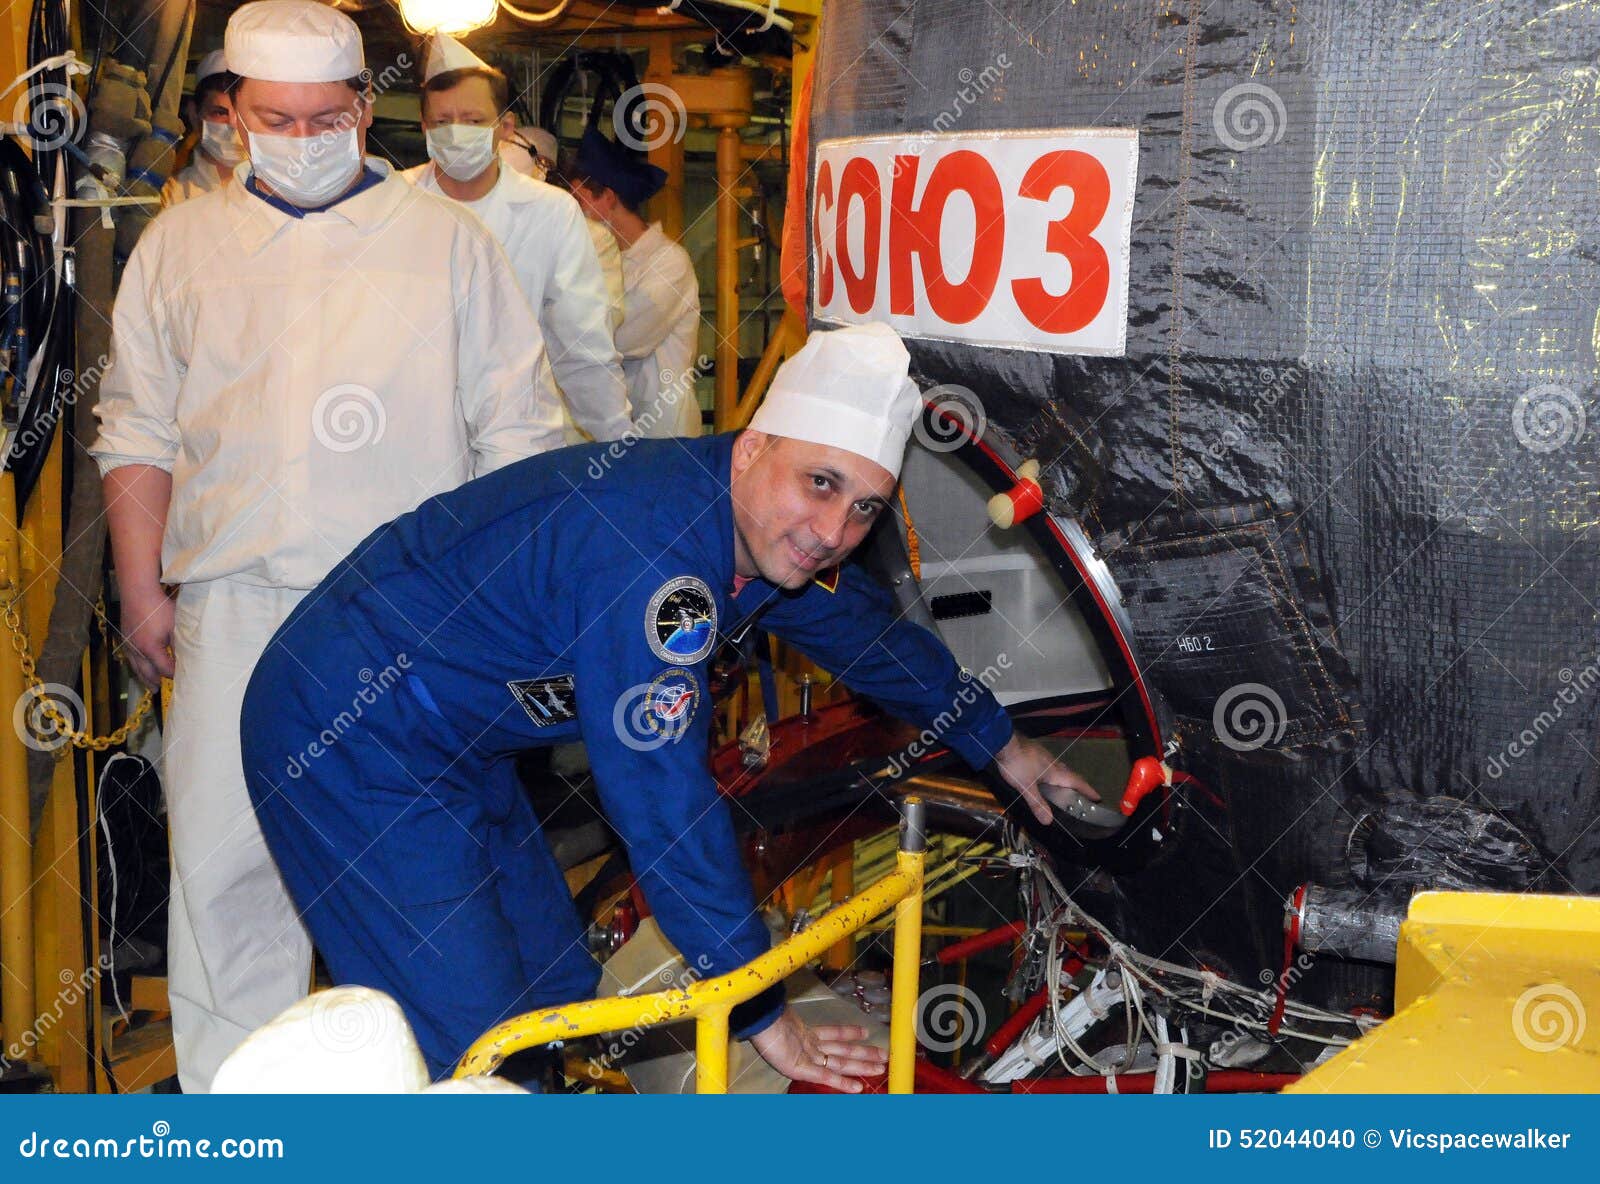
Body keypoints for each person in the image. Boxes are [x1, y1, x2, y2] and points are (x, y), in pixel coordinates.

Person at [237, 322, 1100, 1088]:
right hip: (347, 728)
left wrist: (1002, 744)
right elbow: (664, 807)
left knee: (556, 993)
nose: (833, 531)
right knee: (476, 1047)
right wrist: (760, 1012)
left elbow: (867, 636)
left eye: (865, 507)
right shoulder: (654, 561)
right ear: (755, 444)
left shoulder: (759, 531)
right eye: (821, 483)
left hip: (457, 737)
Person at [90, 0, 563, 1093]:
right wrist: (142, 590)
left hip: (409, 617)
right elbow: (136, 430)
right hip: (232, 606)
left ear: (362, 106)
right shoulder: (180, 247)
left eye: (321, 116)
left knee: (410, 878)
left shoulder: (448, 244)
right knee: (223, 879)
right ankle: (235, 1121)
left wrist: (504, 620)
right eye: (272, 118)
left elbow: (518, 437)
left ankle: (425, 1117)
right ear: (233, 114)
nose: (299, 138)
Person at [403, 34, 631, 443]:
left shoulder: (549, 212)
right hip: (412, 433)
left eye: (473, 121)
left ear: (505, 127)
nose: (456, 133)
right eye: (442, 122)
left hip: (517, 433)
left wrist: (618, 441)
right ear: (423, 126)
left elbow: (581, 344)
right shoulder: (392, 204)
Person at [568, 128, 702, 438]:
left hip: (663, 428)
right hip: (619, 426)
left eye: (579, 201)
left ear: (609, 198)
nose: (573, 215)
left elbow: (625, 339)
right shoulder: (603, 260)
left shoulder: (669, 262)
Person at [161, 49, 243, 206]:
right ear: (194, 114)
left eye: (242, 114)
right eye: (220, 113)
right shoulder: (170, 197)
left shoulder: (276, 194)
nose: (233, 124)